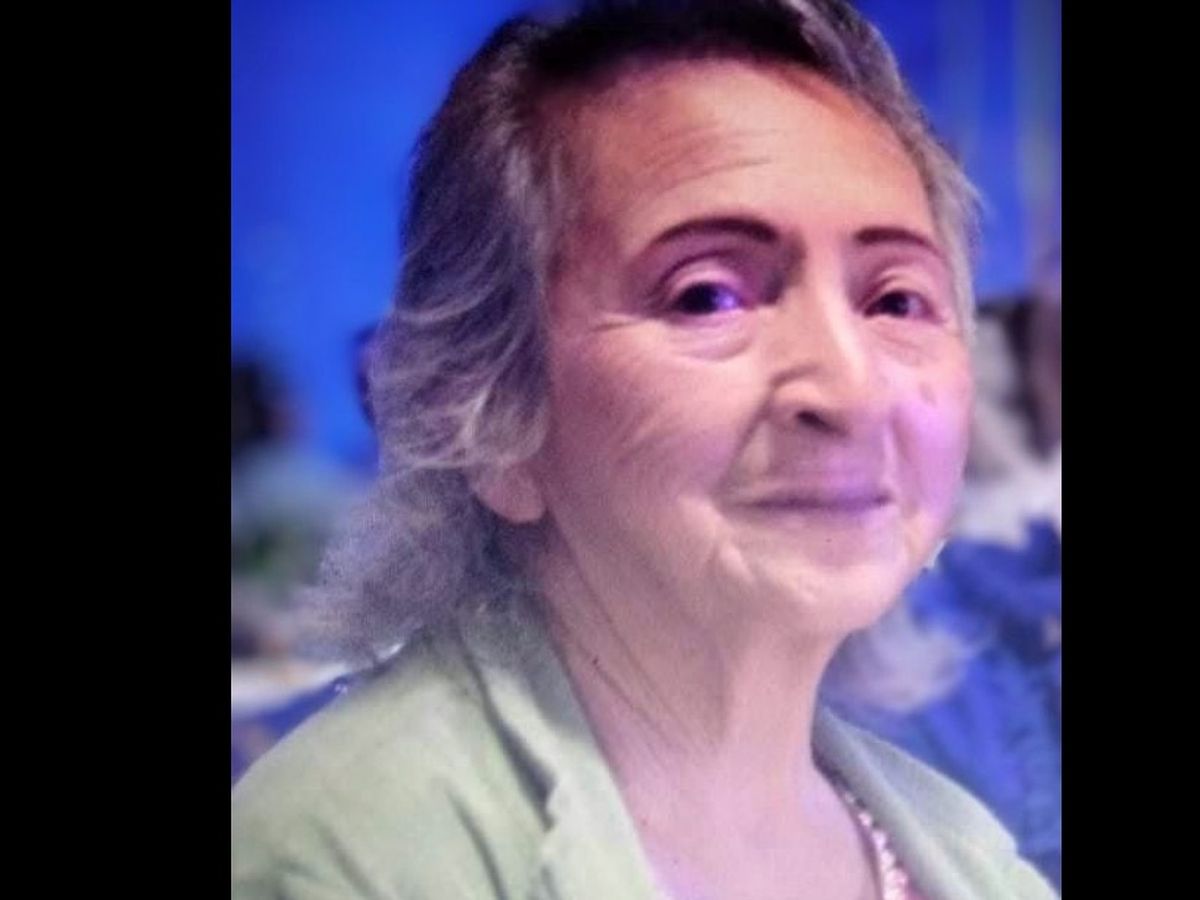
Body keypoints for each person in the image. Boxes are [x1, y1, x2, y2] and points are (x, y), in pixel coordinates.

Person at [232, 2, 1058, 897]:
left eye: (896, 301)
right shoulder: (350, 856)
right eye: (706, 296)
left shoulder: (972, 856)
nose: (851, 390)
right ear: (492, 417)